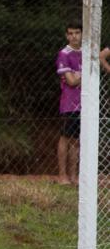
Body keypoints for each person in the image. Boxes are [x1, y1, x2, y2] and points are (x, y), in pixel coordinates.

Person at [55, 22, 83, 185]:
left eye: (77, 33)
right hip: (69, 103)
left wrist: (77, 75)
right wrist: (85, 74)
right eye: (71, 33)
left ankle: (74, 176)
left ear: (81, 34)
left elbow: (75, 77)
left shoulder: (87, 53)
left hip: (85, 102)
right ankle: (62, 175)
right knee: (65, 138)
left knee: (77, 140)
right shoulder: (64, 54)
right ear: (67, 36)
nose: (74, 36)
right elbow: (71, 81)